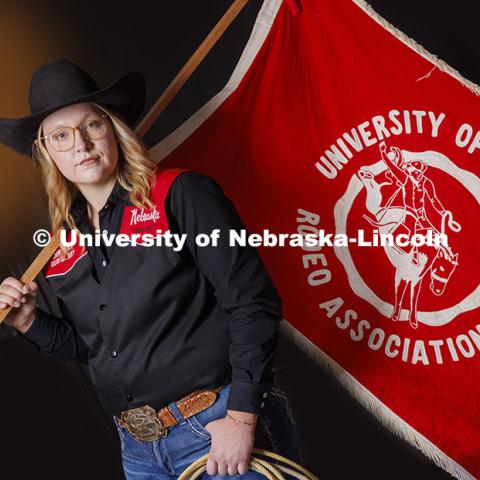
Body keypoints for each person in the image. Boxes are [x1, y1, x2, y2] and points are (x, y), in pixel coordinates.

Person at [0, 59, 302, 478]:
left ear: (114, 130)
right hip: (140, 453)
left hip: (215, 428)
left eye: (92, 126)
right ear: (48, 151)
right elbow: (96, 349)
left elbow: (254, 302)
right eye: (62, 136)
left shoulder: (180, 195)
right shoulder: (61, 242)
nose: (81, 146)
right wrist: (30, 321)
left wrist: (242, 418)